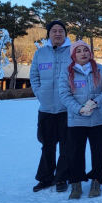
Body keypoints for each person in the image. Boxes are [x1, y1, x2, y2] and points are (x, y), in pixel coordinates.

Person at [58, 40, 102, 199]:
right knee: (75, 152)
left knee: (98, 151)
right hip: (77, 120)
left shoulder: (101, 70)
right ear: (73, 55)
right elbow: (64, 94)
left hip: (98, 119)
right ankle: (76, 183)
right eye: (79, 51)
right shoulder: (67, 73)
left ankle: (96, 180)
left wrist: (95, 103)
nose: (83, 53)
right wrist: (79, 108)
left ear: (90, 53)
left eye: (86, 50)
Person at [29, 20, 71, 193]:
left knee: (66, 145)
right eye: (54, 31)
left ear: (66, 34)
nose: (57, 34)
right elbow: (34, 75)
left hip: (66, 108)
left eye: (61, 30)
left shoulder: (72, 52)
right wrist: (40, 93)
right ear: (49, 34)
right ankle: (45, 178)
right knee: (47, 144)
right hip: (46, 108)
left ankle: (62, 178)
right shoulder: (40, 53)